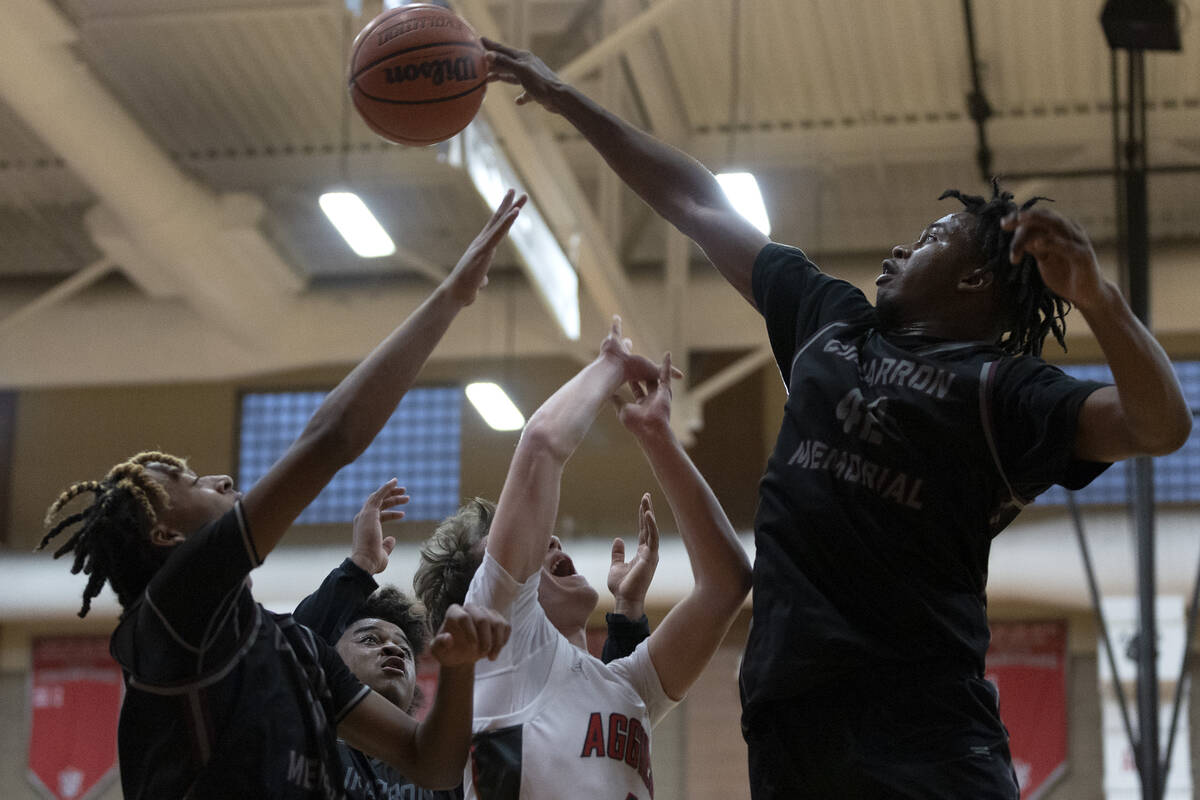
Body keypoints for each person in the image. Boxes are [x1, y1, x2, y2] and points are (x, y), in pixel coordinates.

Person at [479, 40, 1194, 799]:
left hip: (926, 737)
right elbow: (693, 202)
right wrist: (563, 97)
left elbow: (1160, 427)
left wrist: (1099, 299)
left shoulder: (1005, 391)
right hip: (791, 732)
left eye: (927, 242)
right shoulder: (830, 321)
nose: (897, 249)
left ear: (977, 278)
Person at [37, 192, 527, 800]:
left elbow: (430, 763)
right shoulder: (172, 614)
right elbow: (331, 438)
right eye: (188, 483)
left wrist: (455, 671)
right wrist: (450, 297)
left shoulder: (291, 646)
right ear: (167, 537)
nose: (216, 479)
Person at [413, 319, 752, 799]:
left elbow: (726, 586)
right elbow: (542, 447)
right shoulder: (503, 649)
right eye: (504, 541)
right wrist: (610, 364)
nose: (548, 540)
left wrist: (658, 436)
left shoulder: (626, 686)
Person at [292, 477, 659, 799]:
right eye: (369, 639)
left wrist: (627, 614)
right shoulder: (303, 740)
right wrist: (358, 567)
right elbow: (291, 650)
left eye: (405, 649)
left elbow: (607, 709)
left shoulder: (451, 754)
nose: (392, 648)